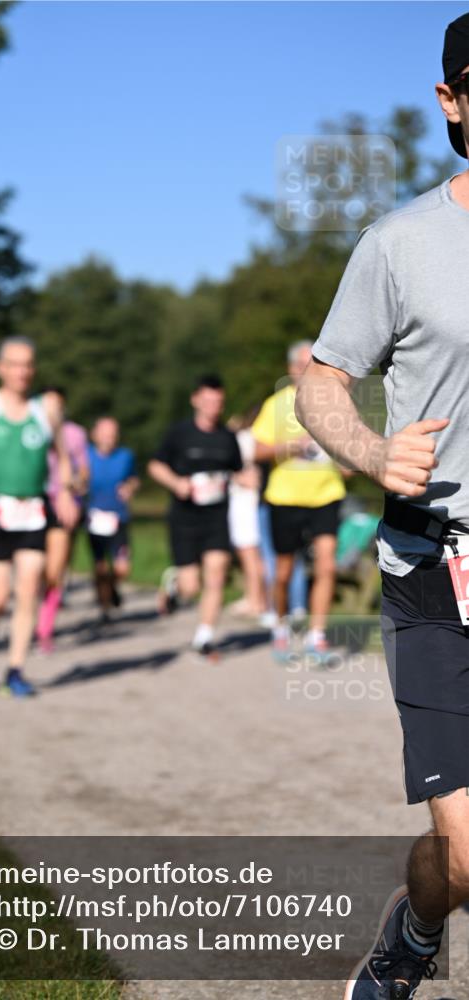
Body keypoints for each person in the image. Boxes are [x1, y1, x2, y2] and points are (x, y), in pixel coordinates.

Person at [295, 15, 469, 998]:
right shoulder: (400, 244)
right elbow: (320, 382)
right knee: (466, 853)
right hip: (434, 569)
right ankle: (414, 927)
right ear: (452, 100)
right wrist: (372, 451)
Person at [0, 336, 77, 697]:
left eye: (28, 365)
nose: (22, 372)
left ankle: (15, 669)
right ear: (1, 368)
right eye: (15, 364)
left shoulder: (47, 409)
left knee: (29, 589)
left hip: (34, 510)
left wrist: (65, 492)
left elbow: (63, 456)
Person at [252, 341, 346, 661]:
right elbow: (256, 450)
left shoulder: (335, 404)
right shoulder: (275, 404)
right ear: (292, 369)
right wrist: (291, 446)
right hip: (285, 498)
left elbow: (350, 459)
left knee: (326, 565)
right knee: (283, 572)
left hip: (326, 495)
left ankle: (316, 637)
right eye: (304, 366)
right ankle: (280, 628)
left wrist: (346, 456)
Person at [148, 374, 244, 660]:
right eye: (208, 400)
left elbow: (237, 471)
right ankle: (174, 587)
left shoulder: (228, 437)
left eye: (218, 402)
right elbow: (155, 466)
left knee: (217, 574)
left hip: (216, 516)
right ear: (196, 400)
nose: (214, 407)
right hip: (185, 517)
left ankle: (205, 637)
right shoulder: (179, 433)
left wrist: (245, 478)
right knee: (191, 587)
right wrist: (176, 483)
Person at [35, 386, 89, 652]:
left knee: (54, 571)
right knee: (31, 569)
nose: (53, 410)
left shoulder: (75, 434)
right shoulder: (26, 430)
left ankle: (44, 628)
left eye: (57, 405)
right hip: (29, 504)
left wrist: (76, 486)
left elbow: (84, 469)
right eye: (47, 405)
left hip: (61, 503)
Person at [86, 416, 139, 620]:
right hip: (94, 517)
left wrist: (130, 487)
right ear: (95, 435)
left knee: (122, 568)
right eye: (105, 434)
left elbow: (134, 479)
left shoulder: (126, 456)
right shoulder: (86, 456)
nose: (109, 438)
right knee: (100, 567)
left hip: (119, 517)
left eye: (113, 434)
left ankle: (112, 586)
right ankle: (105, 607)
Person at [226, 411, 267, 620]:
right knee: (252, 554)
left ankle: (255, 600)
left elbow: (244, 471)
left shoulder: (246, 438)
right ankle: (255, 598)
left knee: (249, 553)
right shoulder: (257, 437)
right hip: (248, 500)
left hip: (244, 500)